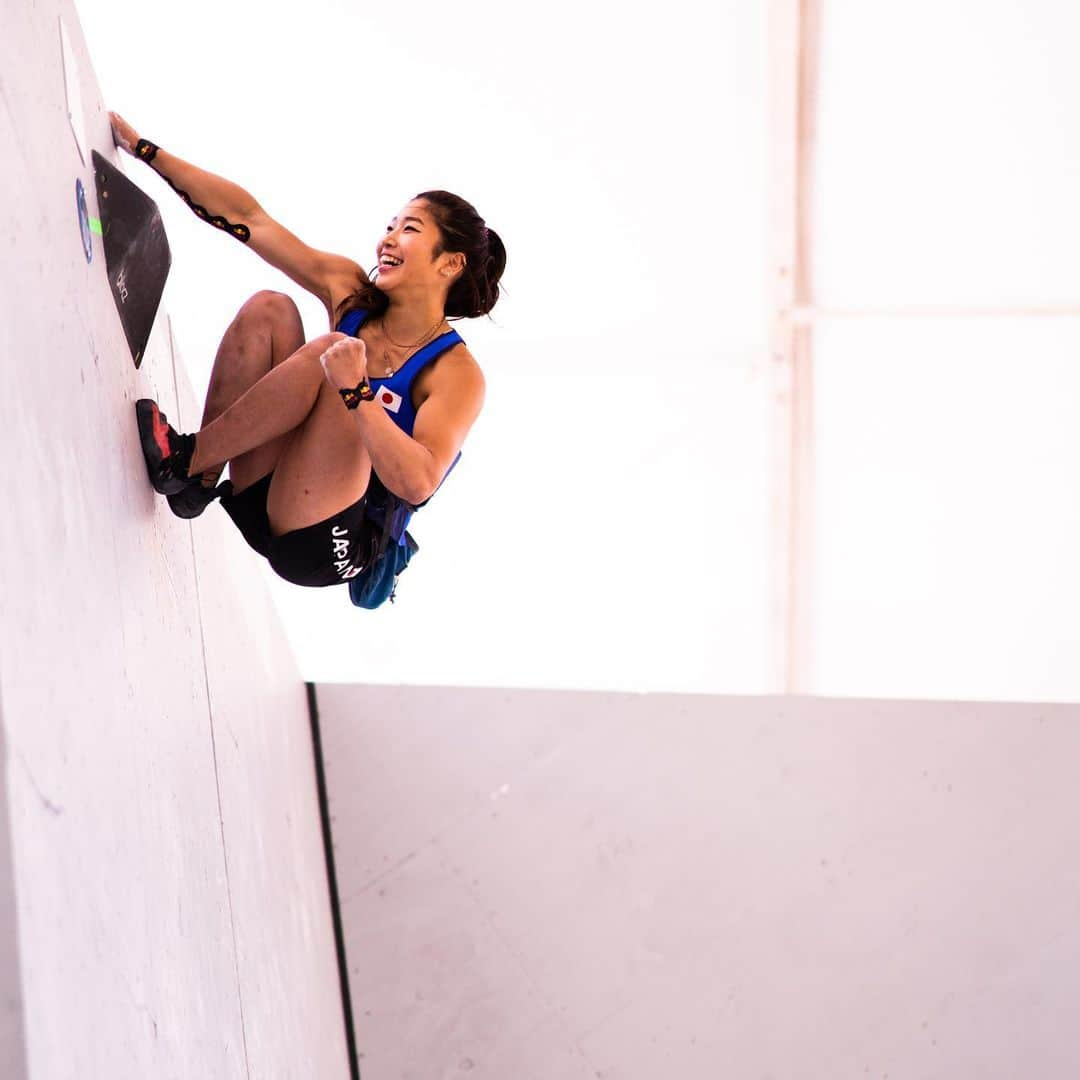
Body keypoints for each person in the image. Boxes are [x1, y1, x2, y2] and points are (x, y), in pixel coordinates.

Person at [109, 113, 505, 591]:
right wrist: (148, 152)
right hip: (268, 497)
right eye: (390, 225)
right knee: (270, 310)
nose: (388, 238)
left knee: (341, 354)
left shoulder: (456, 372)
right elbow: (250, 220)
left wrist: (359, 393)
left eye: (410, 230)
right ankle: (198, 476)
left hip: (328, 544)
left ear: (450, 263)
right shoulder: (350, 290)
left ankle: (184, 460)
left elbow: (419, 481)